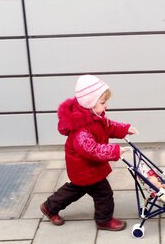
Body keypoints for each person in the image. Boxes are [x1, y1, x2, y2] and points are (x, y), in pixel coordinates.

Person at [40, 75, 137, 231]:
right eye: (103, 102)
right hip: (86, 169)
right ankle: (103, 220)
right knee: (103, 194)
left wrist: (125, 129)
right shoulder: (81, 130)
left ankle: (49, 207)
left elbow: (108, 126)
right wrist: (115, 150)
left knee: (75, 190)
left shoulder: (95, 116)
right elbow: (92, 150)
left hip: (84, 169)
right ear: (89, 103)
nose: (106, 106)